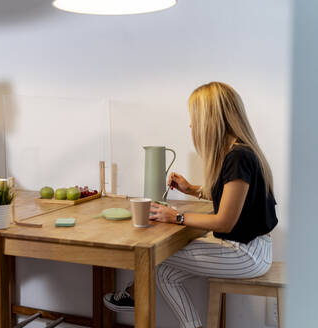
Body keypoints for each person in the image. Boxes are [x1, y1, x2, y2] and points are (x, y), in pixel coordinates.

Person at [103, 82, 278, 328]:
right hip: (253, 248)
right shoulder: (240, 152)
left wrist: (176, 216)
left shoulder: (237, 157)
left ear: (211, 119)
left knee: (156, 253)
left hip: (247, 254)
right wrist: (191, 189)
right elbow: (233, 198)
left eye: (194, 118)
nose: (191, 125)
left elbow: (224, 222)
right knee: (164, 273)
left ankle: (133, 293)